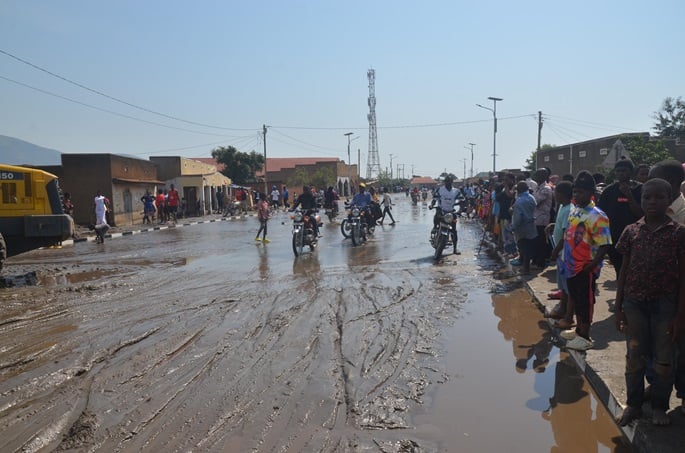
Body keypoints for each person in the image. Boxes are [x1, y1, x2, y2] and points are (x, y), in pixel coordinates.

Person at [614, 178, 685, 427]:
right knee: (634, 356)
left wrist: (680, 315)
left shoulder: (678, 233)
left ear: (669, 200)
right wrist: (618, 307)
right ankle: (633, 404)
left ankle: (659, 406)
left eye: (658, 197)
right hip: (634, 305)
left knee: (664, 360)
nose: (652, 202)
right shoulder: (631, 231)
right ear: (641, 200)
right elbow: (623, 271)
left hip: (665, 306)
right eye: (647, 197)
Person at [561, 171, 612, 351]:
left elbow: (605, 244)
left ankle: (585, 337)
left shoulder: (597, 215)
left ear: (590, 193)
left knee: (585, 302)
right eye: (575, 191)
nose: (576, 195)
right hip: (571, 265)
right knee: (575, 298)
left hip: (585, 267)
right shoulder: (575, 210)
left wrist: (593, 264)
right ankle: (578, 330)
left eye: (581, 192)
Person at [597, 159, 643, 277]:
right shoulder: (609, 191)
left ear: (631, 172)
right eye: (618, 171)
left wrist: (629, 195)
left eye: (624, 170)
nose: (621, 173)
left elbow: (640, 213)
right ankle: (621, 294)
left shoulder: (640, 189)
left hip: (635, 238)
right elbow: (600, 214)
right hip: (614, 238)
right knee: (619, 270)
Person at [547, 181, 574, 328]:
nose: (554, 195)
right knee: (562, 284)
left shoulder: (569, 209)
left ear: (562, 194)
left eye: (556, 192)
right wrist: (553, 226)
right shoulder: (562, 207)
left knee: (566, 284)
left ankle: (566, 311)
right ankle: (562, 307)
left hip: (565, 252)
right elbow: (561, 225)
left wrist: (556, 250)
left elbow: (566, 234)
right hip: (561, 253)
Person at [511, 181, 537, 274]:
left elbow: (518, 218)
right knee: (528, 247)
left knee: (524, 248)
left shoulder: (519, 201)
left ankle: (526, 269)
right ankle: (526, 267)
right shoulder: (532, 198)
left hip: (522, 227)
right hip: (531, 224)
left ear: (518, 190)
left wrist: (513, 227)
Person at [430, 175, 461, 254]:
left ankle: (455, 249)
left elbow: (462, 200)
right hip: (441, 210)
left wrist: (462, 209)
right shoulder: (440, 190)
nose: (448, 183)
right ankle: (435, 227)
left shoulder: (456, 191)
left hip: (451, 212)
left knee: (454, 231)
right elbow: (434, 199)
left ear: (452, 182)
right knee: (437, 215)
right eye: (446, 181)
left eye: (449, 181)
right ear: (444, 182)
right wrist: (432, 205)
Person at [532, 169, 554, 267]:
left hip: (542, 219)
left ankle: (540, 263)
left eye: (538, 174)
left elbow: (535, 201)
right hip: (536, 218)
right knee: (536, 242)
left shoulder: (546, 188)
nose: (535, 176)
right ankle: (536, 260)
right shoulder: (537, 188)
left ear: (544, 176)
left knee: (541, 242)